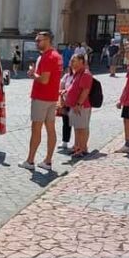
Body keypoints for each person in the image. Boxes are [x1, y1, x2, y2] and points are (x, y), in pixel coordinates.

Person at [20, 30, 62, 172]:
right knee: (51, 129)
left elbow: (44, 79)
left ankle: (30, 160)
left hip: (41, 97)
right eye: (36, 40)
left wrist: (33, 74)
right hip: (52, 97)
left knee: (36, 129)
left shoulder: (47, 57)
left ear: (48, 40)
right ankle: (48, 161)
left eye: (39, 40)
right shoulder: (56, 55)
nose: (37, 43)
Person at [64, 54, 93, 158]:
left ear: (81, 61)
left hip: (81, 106)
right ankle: (77, 147)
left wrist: (78, 104)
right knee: (77, 128)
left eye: (74, 61)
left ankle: (82, 149)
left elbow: (85, 91)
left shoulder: (85, 74)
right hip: (74, 106)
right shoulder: (77, 73)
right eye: (71, 61)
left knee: (81, 128)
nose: (71, 63)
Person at [57, 61, 76, 152]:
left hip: (75, 103)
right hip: (66, 102)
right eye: (71, 66)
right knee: (66, 123)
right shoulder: (67, 76)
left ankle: (78, 143)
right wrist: (61, 100)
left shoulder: (79, 76)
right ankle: (65, 141)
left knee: (77, 123)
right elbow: (60, 88)